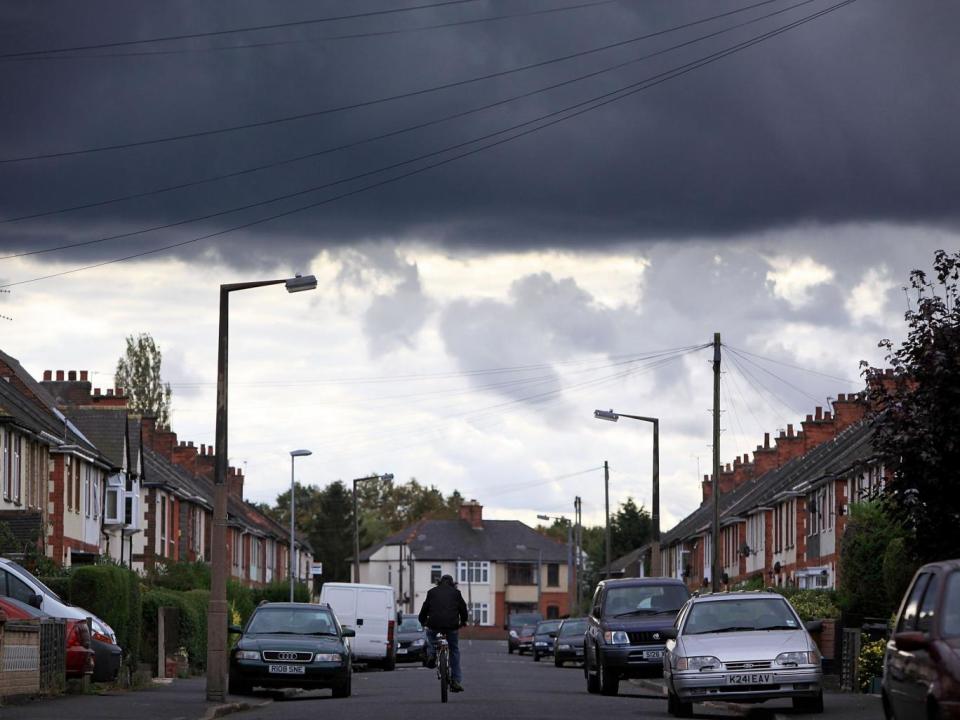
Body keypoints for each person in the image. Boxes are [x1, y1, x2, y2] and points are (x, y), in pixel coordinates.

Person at [418, 574, 469, 692]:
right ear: (452, 584)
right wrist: (464, 621)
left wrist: (422, 621)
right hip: (452, 626)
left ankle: (431, 654)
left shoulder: (432, 592)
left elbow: (424, 609)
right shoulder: (456, 593)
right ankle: (456, 680)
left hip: (434, 624)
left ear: (439, 582)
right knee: (454, 650)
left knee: (430, 635)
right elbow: (463, 609)